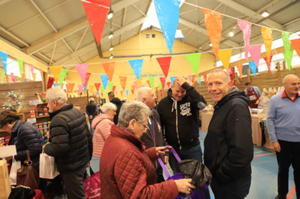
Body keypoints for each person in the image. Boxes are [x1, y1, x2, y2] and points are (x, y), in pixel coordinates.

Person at [101, 101, 195, 198]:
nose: (145, 130)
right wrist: (174, 186)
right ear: (132, 123)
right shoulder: (127, 152)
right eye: (144, 126)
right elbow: (140, 195)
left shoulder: (115, 138)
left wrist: (150, 153)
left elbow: (129, 164)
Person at [204, 69, 253, 199]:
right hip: (222, 180)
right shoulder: (223, 104)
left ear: (230, 83)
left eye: (218, 83)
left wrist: (222, 173)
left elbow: (242, 152)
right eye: (210, 84)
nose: (213, 88)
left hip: (230, 182)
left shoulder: (236, 106)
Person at [44, 87, 92, 199]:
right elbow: (88, 137)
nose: (47, 106)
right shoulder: (77, 112)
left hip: (70, 166)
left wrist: (46, 147)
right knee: (82, 191)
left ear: (54, 102)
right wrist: (88, 158)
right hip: (81, 161)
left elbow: (59, 148)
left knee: (76, 195)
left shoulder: (58, 119)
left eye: (47, 103)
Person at [157, 77, 206, 163]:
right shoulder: (162, 104)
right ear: (171, 88)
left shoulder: (191, 100)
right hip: (173, 150)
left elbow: (203, 105)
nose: (180, 94)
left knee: (196, 175)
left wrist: (189, 88)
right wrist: (164, 149)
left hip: (192, 148)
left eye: (183, 91)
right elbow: (159, 128)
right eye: (177, 91)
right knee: (178, 175)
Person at [267, 74, 300, 199]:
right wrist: (274, 140)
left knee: (299, 171)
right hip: (283, 142)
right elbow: (269, 120)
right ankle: (282, 194)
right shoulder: (275, 100)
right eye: (293, 84)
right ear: (285, 85)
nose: (297, 86)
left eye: (298, 83)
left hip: (299, 142)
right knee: (283, 170)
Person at [91, 102, 116, 171]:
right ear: (108, 111)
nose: (115, 113)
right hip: (102, 156)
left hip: (99, 156)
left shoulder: (101, 120)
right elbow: (111, 140)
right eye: (114, 111)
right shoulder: (105, 122)